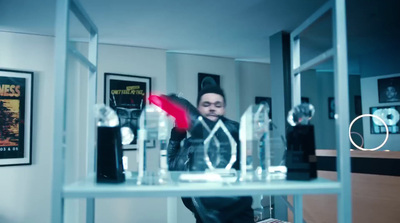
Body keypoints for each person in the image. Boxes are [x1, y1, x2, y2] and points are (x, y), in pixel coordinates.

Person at [167, 86, 254, 223]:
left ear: (223, 109)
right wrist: (177, 133)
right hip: (202, 218)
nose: (212, 108)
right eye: (206, 104)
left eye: (217, 105)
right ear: (199, 109)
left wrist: (179, 105)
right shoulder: (191, 143)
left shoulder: (232, 131)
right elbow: (172, 167)